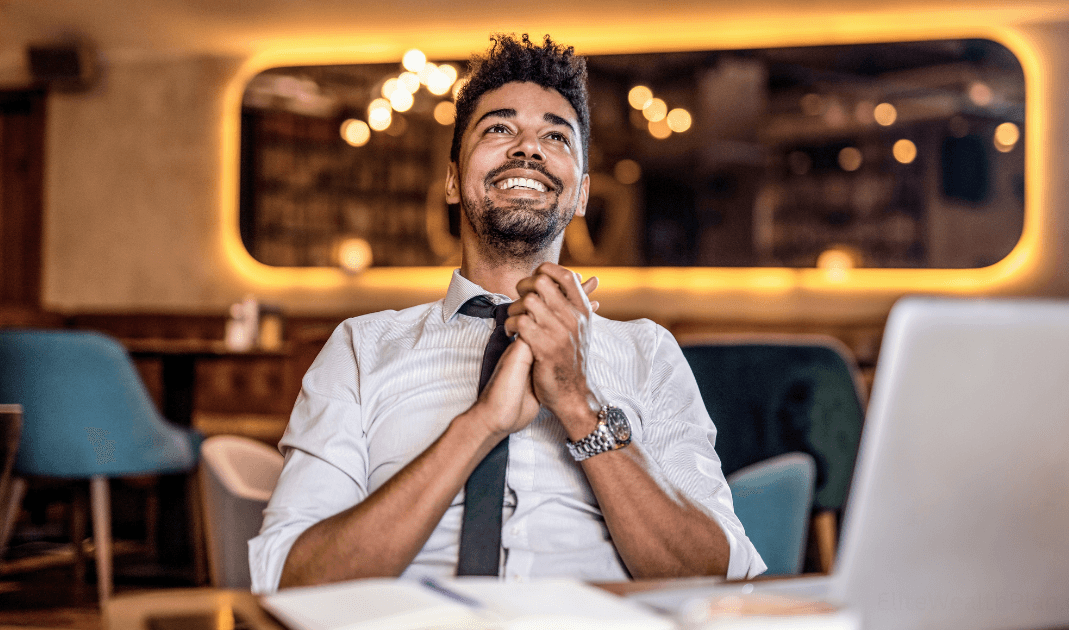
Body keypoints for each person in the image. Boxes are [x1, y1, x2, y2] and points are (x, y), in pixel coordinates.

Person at [249, 33, 765, 592]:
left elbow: (719, 576)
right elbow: (291, 580)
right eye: (499, 128)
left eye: (555, 136)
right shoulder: (359, 347)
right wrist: (480, 426)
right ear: (451, 180)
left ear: (583, 193)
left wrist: (577, 404)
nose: (527, 148)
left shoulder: (648, 351)